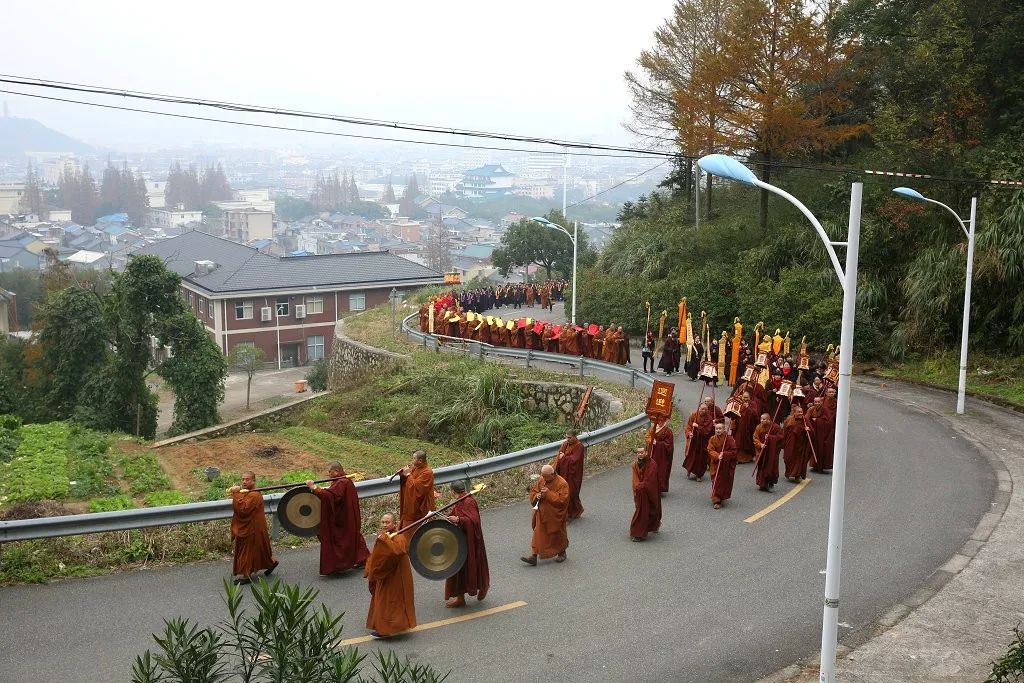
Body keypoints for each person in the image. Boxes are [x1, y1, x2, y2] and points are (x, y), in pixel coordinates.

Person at [305, 463, 369, 576]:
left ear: (336, 471)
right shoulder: (343, 481)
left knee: (340, 538)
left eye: (329, 472)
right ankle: (362, 559)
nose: (328, 474)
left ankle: (340, 564)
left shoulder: (342, 482)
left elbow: (332, 497)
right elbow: (333, 493)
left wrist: (314, 488)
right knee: (353, 536)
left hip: (342, 519)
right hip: (347, 517)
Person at [364, 514, 417, 638]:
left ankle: (385, 629)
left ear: (395, 523)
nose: (384, 525)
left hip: (396, 576)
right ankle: (392, 625)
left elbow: (396, 553)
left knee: (389, 601)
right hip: (387, 574)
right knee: (385, 600)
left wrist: (385, 541)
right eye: (382, 522)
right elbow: (378, 555)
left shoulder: (399, 537)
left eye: (387, 522)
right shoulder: (386, 536)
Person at [444, 481, 490, 607]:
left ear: (453, 491)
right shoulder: (459, 501)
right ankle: (460, 598)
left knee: (475, 564)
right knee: (458, 567)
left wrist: (459, 519)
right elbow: (454, 514)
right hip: (460, 540)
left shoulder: (468, 501)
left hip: (472, 541)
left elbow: (474, 521)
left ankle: (483, 586)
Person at [229, 471, 278, 584]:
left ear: (253, 481)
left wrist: (235, 494)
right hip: (252, 525)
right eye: (243, 479)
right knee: (259, 549)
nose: (244, 482)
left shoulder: (254, 494)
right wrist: (238, 493)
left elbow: (243, 509)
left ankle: (246, 576)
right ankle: (271, 563)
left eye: (247, 479)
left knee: (249, 551)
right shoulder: (248, 492)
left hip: (252, 527)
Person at [521, 464, 569, 565]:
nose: (544, 479)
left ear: (552, 474)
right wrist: (536, 496)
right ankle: (533, 556)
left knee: (556, 534)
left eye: (546, 477)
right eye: (543, 476)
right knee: (537, 533)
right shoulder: (542, 480)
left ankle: (562, 553)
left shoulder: (562, 483)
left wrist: (548, 494)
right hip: (542, 513)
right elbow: (534, 491)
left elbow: (562, 501)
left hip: (555, 515)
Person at [551, 430, 585, 520]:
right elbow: (559, 456)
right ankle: (568, 514)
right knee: (564, 493)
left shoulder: (579, 446)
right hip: (563, 473)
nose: (567, 439)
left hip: (574, 474)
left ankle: (575, 511)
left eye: (569, 438)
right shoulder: (565, 444)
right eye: (566, 437)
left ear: (575, 437)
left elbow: (575, 460)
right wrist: (553, 468)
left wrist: (564, 458)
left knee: (572, 493)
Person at [399, 450, 436, 530]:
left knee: (422, 530)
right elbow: (409, 481)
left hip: (422, 505)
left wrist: (408, 474)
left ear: (420, 461)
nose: (412, 460)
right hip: (412, 505)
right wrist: (403, 474)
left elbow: (417, 487)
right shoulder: (416, 468)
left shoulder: (427, 472)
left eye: (414, 458)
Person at [630, 446, 661, 541]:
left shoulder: (652, 464)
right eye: (638, 452)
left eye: (642, 452)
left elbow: (651, 479)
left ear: (646, 453)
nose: (640, 454)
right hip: (640, 492)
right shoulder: (635, 464)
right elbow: (635, 479)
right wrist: (637, 487)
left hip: (649, 490)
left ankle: (639, 533)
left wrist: (643, 486)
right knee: (641, 511)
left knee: (651, 509)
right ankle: (639, 532)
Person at [707, 422, 738, 509]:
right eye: (716, 429)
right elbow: (710, 450)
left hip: (726, 465)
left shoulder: (729, 439)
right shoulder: (712, 439)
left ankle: (722, 496)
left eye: (720, 428)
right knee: (716, 481)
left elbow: (734, 451)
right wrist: (717, 456)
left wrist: (724, 454)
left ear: (724, 429)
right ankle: (716, 500)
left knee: (724, 481)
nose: (718, 430)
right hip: (715, 464)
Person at [753, 413, 783, 491]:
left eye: (764, 419)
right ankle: (762, 483)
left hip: (772, 452)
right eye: (761, 419)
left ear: (769, 420)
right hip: (762, 451)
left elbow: (781, 437)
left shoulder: (775, 427)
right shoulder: (758, 427)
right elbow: (755, 438)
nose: (761, 420)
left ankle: (770, 483)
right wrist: (760, 444)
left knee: (771, 467)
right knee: (762, 466)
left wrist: (770, 438)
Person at [683, 404, 713, 481]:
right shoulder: (694, 415)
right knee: (691, 456)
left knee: (701, 458)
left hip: (703, 441)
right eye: (702, 409)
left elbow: (707, 430)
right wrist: (689, 433)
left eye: (705, 409)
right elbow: (688, 426)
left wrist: (697, 426)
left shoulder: (709, 418)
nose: (703, 411)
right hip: (694, 440)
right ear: (699, 408)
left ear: (707, 410)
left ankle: (699, 475)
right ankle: (689, 470)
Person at [783, 405, 812, 482]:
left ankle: (797, 476)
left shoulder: (805, 420)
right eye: (798, 412)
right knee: (788, 458)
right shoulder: (789, 420)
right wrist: (783, 442)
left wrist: (807, 430)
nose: (800, 413)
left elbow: (812, 432)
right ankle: (789, 472)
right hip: (790, 443)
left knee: (799, 460)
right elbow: (784, 432)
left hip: (800, 444)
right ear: (794, 413)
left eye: (802, 412)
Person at [647, 418, 674, 494]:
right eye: (658, 421)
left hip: (662, 457)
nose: (659, 422)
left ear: (664, 421)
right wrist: (649, 440)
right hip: (652, 453)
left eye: (661, 421)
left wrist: (657, 443)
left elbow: (669, 446)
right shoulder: (653, 429)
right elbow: (647, 437)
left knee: (660, 471)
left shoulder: (668, 431)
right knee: (650, 470)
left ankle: (658, 488)